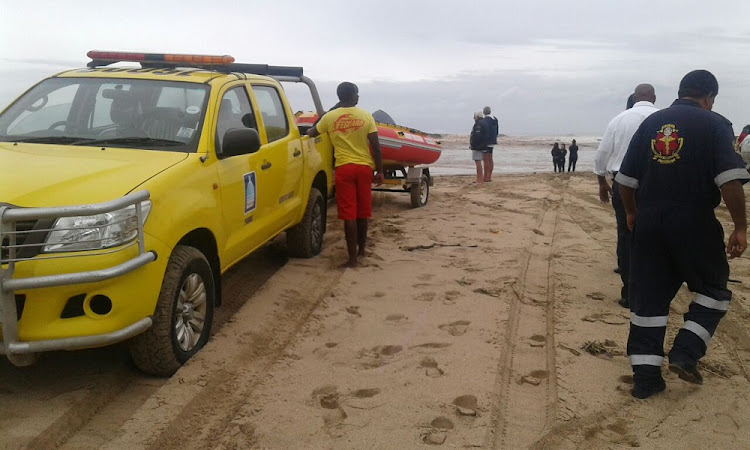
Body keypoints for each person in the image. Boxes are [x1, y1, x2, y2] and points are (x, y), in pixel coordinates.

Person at [615, 70, 750, 399]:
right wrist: (741, 227)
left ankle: (646, 380)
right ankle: (685, 352)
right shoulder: (716, 123)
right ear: (709, 97)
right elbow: (730, 180)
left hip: (648, 221)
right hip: (693, 220)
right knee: (714, 289)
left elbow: (625, 181)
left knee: (648, 300)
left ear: (681, 92)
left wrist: (632, 213)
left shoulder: (650, 124)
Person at [593, 84, 658, 308]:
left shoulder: (619, 119)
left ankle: (629, 293)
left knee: (626, 233)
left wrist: (601, 181)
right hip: (656, 183)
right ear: (654, 98)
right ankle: (654, 290)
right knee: (656, 236)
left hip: (623, 181)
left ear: (634, 98)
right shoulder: (662, 118)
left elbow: (602, 153)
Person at [307, 82, 384, 268]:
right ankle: (362, 250)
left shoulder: (330, 117)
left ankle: (352, 260)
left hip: (344, 169)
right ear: (352, 95)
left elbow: (311, 132)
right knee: (363, 213)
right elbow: (376, 146)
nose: (358, 96)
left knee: (349, 215)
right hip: (364, 168)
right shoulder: (366, 115)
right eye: (357, 93)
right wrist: (380, 171)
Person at [470, 112, 488, 183]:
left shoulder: (478, 124)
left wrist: (473, 145)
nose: (473, 118)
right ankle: (480, 179)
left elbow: (477, 136)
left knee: (478, 161)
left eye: (474, 116)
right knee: (480, 161)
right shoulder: (484, 123)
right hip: (483, 145)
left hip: (478, 146)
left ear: (477, 116)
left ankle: (479, 179)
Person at [483, 106, 499, 181]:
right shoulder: (495, 119)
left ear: (484, 112)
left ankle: (486, 176)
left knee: (486, 159)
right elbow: (497, 131)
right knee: (490, 158)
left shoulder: (485, 120)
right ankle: (489, 176)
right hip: (493, 141)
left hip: (486, 141)